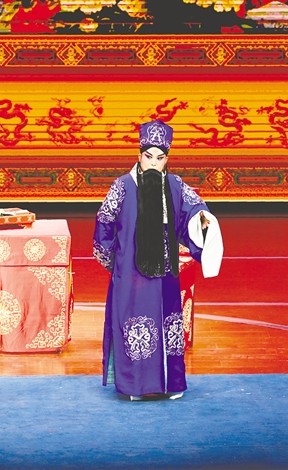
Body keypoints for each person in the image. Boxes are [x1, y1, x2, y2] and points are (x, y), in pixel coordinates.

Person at [93, 120, 223, 400]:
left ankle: (171, 385)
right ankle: (135, 387)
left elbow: (195, 209)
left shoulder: (175, 185)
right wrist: (117, 263)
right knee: (135, 325)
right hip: (132, 272)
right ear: (139, 156)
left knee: (168, 323)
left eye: (159, 158)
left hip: (166, 272)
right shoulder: (122, 186)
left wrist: (202, 218)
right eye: (148, 157)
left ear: (167, 159)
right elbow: (104, 223)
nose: (153, 163)